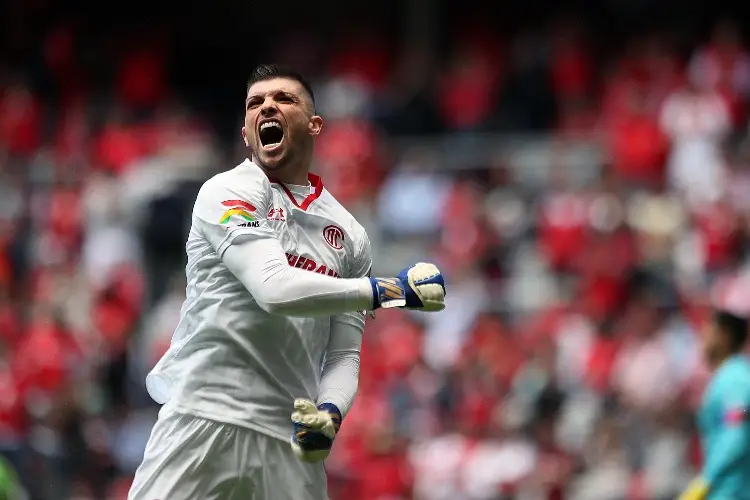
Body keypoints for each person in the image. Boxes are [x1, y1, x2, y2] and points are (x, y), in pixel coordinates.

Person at [127, 64, 446, 500]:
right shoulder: (225, 192)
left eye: (284, 99)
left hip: (287, 438)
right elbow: (273, 288)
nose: (267, 107)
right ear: (245, 132)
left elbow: (343, 356)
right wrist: (389, 291)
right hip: (205, 415)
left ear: (314, 126)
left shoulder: (349, 235)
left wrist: (330, 413)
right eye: (255, 103)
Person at [679, 310, 750, 500]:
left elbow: (736, 433)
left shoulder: (736, 379)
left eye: (708, 329)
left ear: (724, 335)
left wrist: (707, 479)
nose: (702, 336)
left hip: (735, 489)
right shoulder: (726, 377)